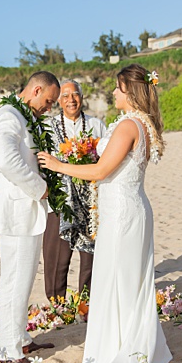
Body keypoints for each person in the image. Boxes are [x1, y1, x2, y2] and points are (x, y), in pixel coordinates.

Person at [38, 64, 172, 363]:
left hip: (124, 213)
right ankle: (131, 343)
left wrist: (57, 165)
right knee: (124, 280)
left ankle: (122, 350)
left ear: (129, 91)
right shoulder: (140, 123)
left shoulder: (129, 125)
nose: (112, 93)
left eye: (117, 88)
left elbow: (100, 170)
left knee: (119, 282)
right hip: (125, 209)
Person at [0, 71, 60, 363]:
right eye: (48, 101)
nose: (49, 107)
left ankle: (20, 338)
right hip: (16, 212)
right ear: (36, 90)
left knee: (23, 278)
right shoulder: (8, 116)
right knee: (14, 280)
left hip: (26, 211)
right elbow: (7, 161)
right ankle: (8, 352)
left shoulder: (23, 116)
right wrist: (42, 188)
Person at [43, 80, 107, 301]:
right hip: (60, 200)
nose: (71, 99)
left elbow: (105, 160)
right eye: (66, 95)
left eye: (75, 94)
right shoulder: (48, 127)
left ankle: (87, 303)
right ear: (59, 100)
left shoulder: (96, 125)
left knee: (90, 255)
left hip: (90, 201)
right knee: (57, 258)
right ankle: (56, 304)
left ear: (82, 97)